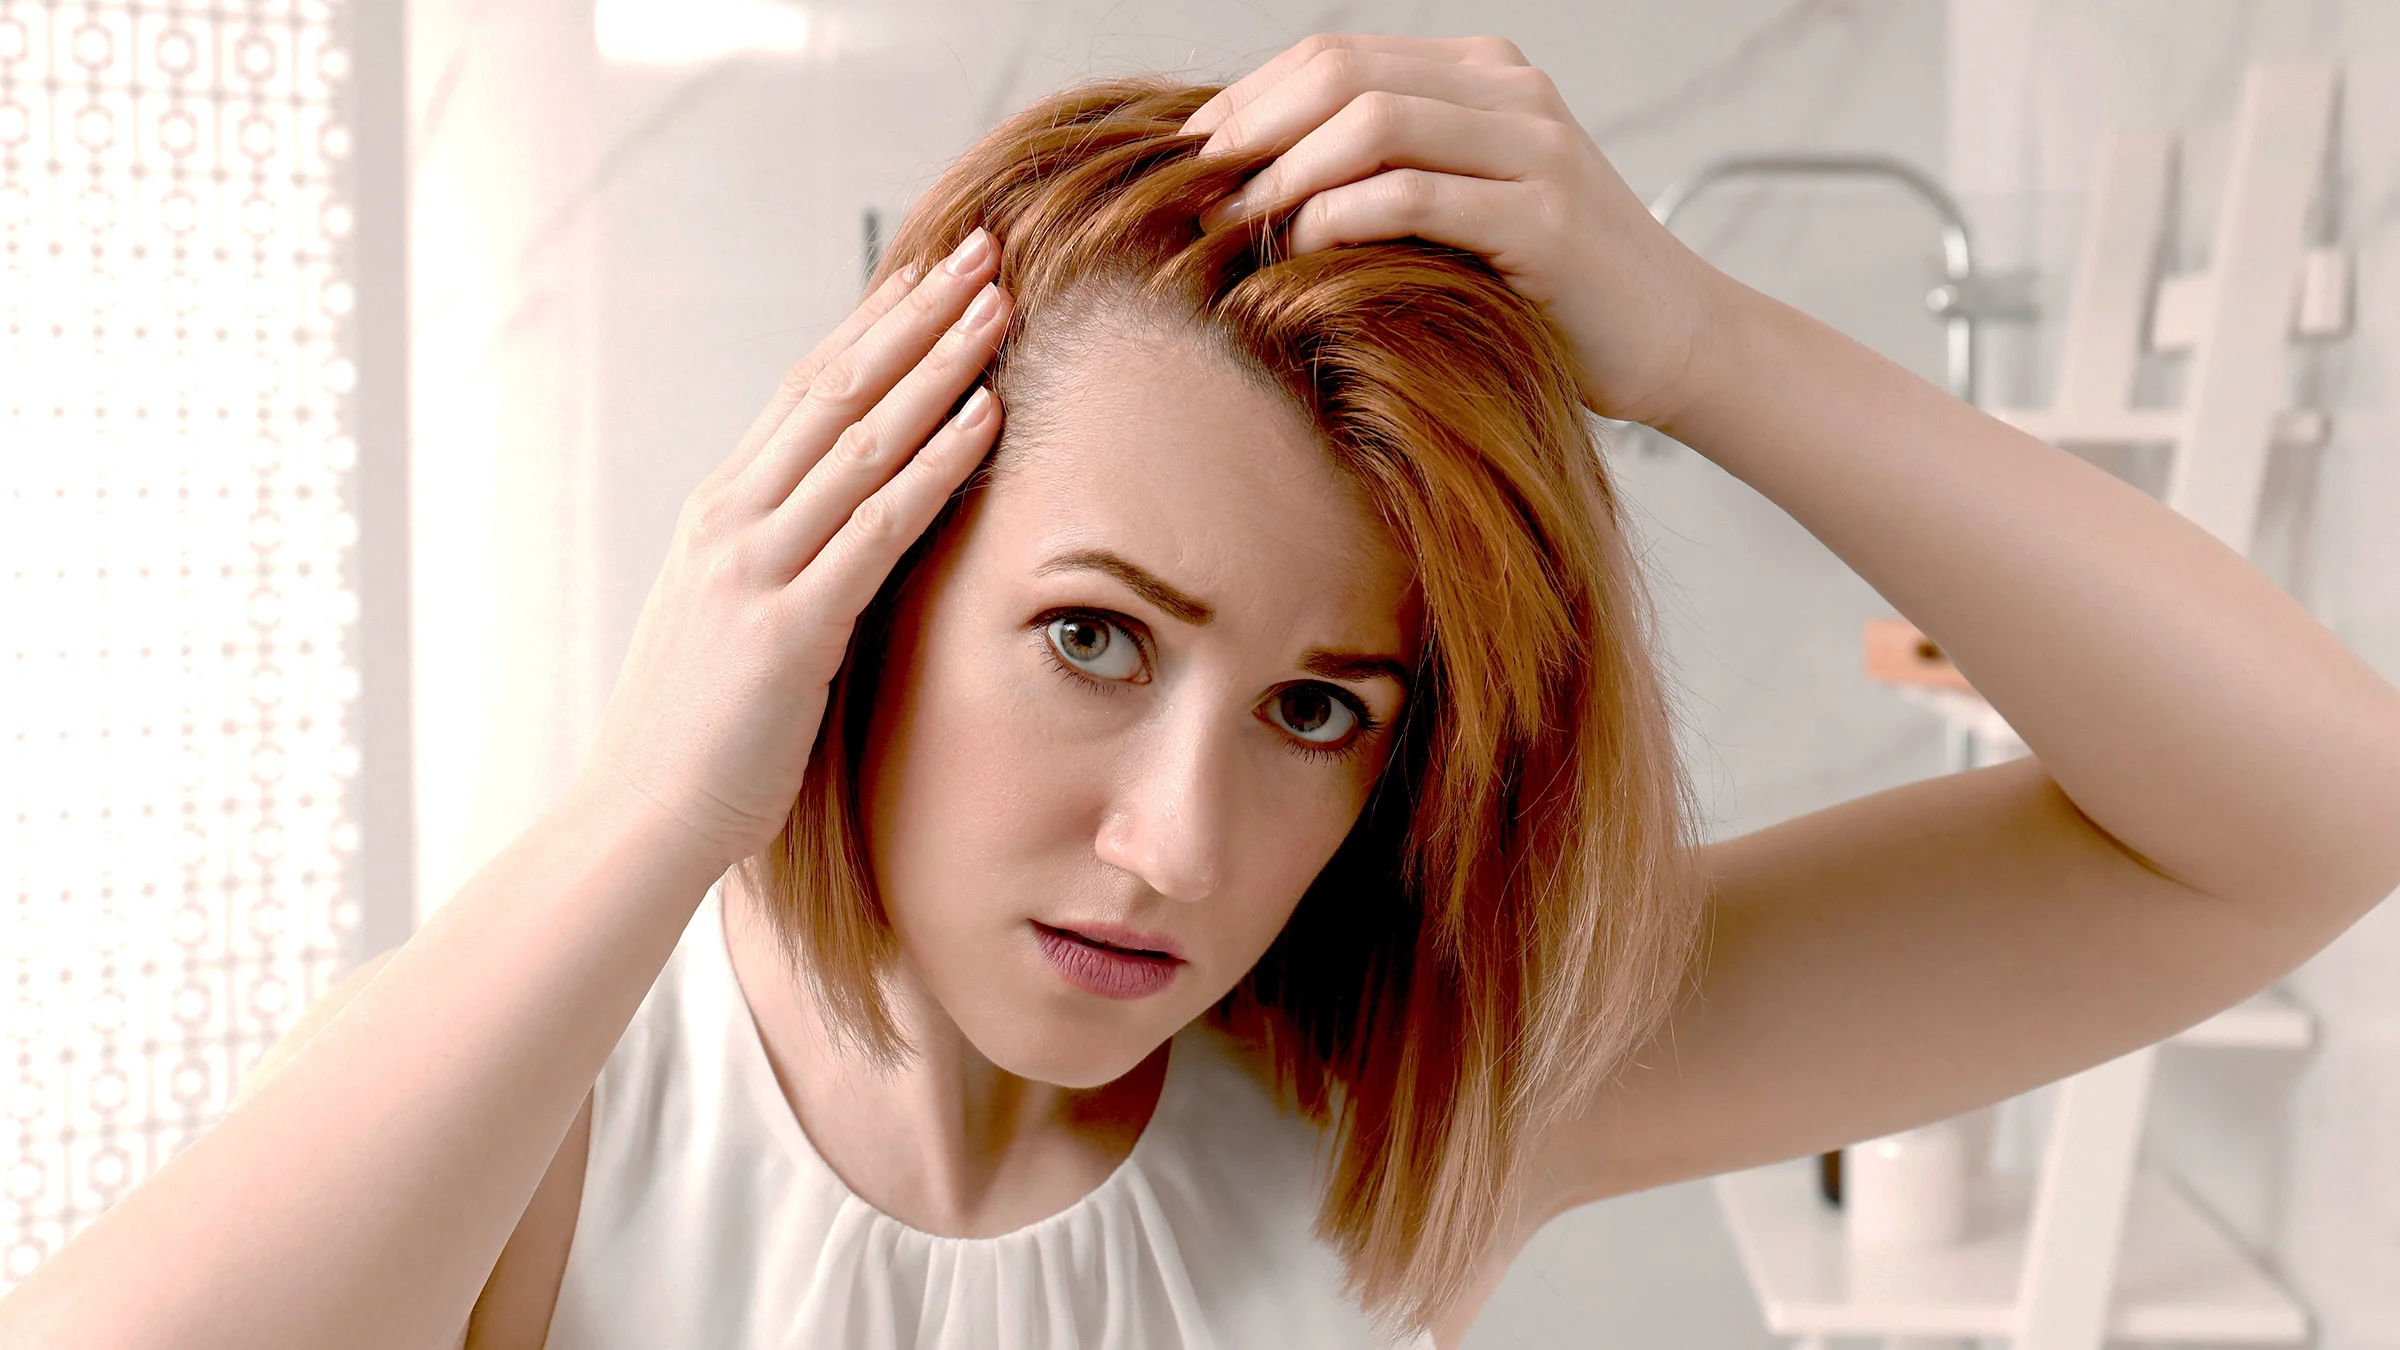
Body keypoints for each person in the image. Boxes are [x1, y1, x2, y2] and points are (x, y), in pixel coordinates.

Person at [6, 34, 2397, 1350]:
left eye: (1319, 709)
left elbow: (2311, 815)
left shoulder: (1410, 1117)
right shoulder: (558, 1114)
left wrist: (1700, 346)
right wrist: (651, 805)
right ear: (870, 587)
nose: (1178, 845)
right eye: (1094, 639)